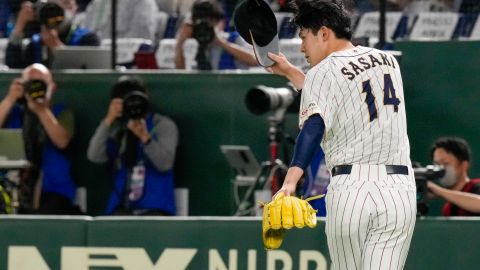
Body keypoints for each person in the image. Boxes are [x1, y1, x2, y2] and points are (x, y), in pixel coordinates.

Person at [267, 1, 416, 269]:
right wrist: (291, 72)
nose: (302, 48)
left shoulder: (321, 73)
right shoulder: (388, 61)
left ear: (323, 33)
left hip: (352, 189)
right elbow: (342, 96)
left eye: (304, 37)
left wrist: (289, 183)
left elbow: (314, 125)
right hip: (399, 190)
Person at [87, 75, 178, 216]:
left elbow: (165, 163)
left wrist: (145, 138)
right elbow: (95, 155)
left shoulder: (162, 125)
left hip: (155, 206)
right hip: (121, 205)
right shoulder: (117, 129)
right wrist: (108, 120)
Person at [0, 63, 79, 214]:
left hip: (52, 190)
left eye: (40, 84)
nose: (35, 89)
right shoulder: (13, 113)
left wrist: (42, 111)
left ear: (52, 87)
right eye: (30, 83)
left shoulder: (62, 113)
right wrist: (10, 99)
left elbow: (62, 142)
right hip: (12, 186)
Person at [5, 0, 100, 68]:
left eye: (66, 3)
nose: (60, 9)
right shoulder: (35, 42)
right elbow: (13, 67)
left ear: (75, 8)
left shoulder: (88, 39)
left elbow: (86, 74)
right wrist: (19, 25)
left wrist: (56, 47)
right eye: (54, 5)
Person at [175, 0, 257, 70]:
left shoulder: (234, 39)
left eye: (210, 22)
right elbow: (181, 75)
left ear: (221, 22)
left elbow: (254, 61)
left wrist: (221, 43)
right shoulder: (191, 45)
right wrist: (181, 42)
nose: (205, 28)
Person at [427, 137, 480, 216]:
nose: (441, 169)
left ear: (464, 165)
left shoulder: (476, 186)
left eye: (445, 163)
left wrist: (439, 191)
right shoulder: (448, 208)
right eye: (437, 164)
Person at [82, 0, 159, 42]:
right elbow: (84, 35)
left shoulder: (143, 3)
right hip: (91, 59)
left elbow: (141, 41)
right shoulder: (96, 4)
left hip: (124, 63)